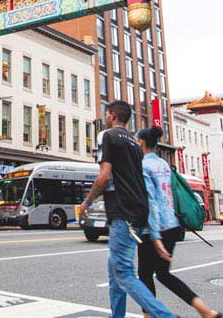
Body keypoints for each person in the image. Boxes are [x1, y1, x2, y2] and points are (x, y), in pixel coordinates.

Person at [78, 101, 174, 318]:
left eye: (106, 114)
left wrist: (87, 203)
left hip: (123, 211)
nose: (105, 118)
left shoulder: (107, 136)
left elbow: (104, 177)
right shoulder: (134, 143)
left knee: (123, 272)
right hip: (139, 211)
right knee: (115, 273)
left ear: (112, 115)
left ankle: (164, 315)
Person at [136, 126, 221, 318]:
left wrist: (155, 237)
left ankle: (150, 316)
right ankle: (205, 311)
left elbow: (151, 202)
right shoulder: (164, 165)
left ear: (141, 142)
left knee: (145, 275)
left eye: (136, 140)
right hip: (172, 224)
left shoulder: (143, 166)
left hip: (154, 229)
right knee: (163, 274)